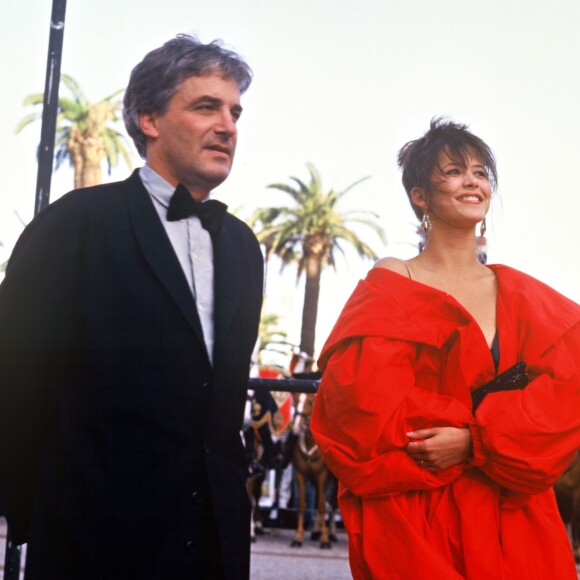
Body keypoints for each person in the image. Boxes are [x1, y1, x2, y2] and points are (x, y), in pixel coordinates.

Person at [0, 34, 263, 579]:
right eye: (205, 107)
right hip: (94, 541)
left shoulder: (242, 246)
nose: (228, 126)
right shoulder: (75, 224)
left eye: (235, 111)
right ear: (149, 119)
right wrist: (25, 519)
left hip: (213, 549)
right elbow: (14, 376)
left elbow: (220, 403)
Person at [310, 118, 580, 579]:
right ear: (420, 195)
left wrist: (475, 442)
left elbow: (565, 395)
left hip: (514, 514)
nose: (473, 180)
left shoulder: (518, 293)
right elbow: (361, 407)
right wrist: (477, 429)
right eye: (454, 170)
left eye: (480, 171)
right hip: (419, 512)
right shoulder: (395, 281)